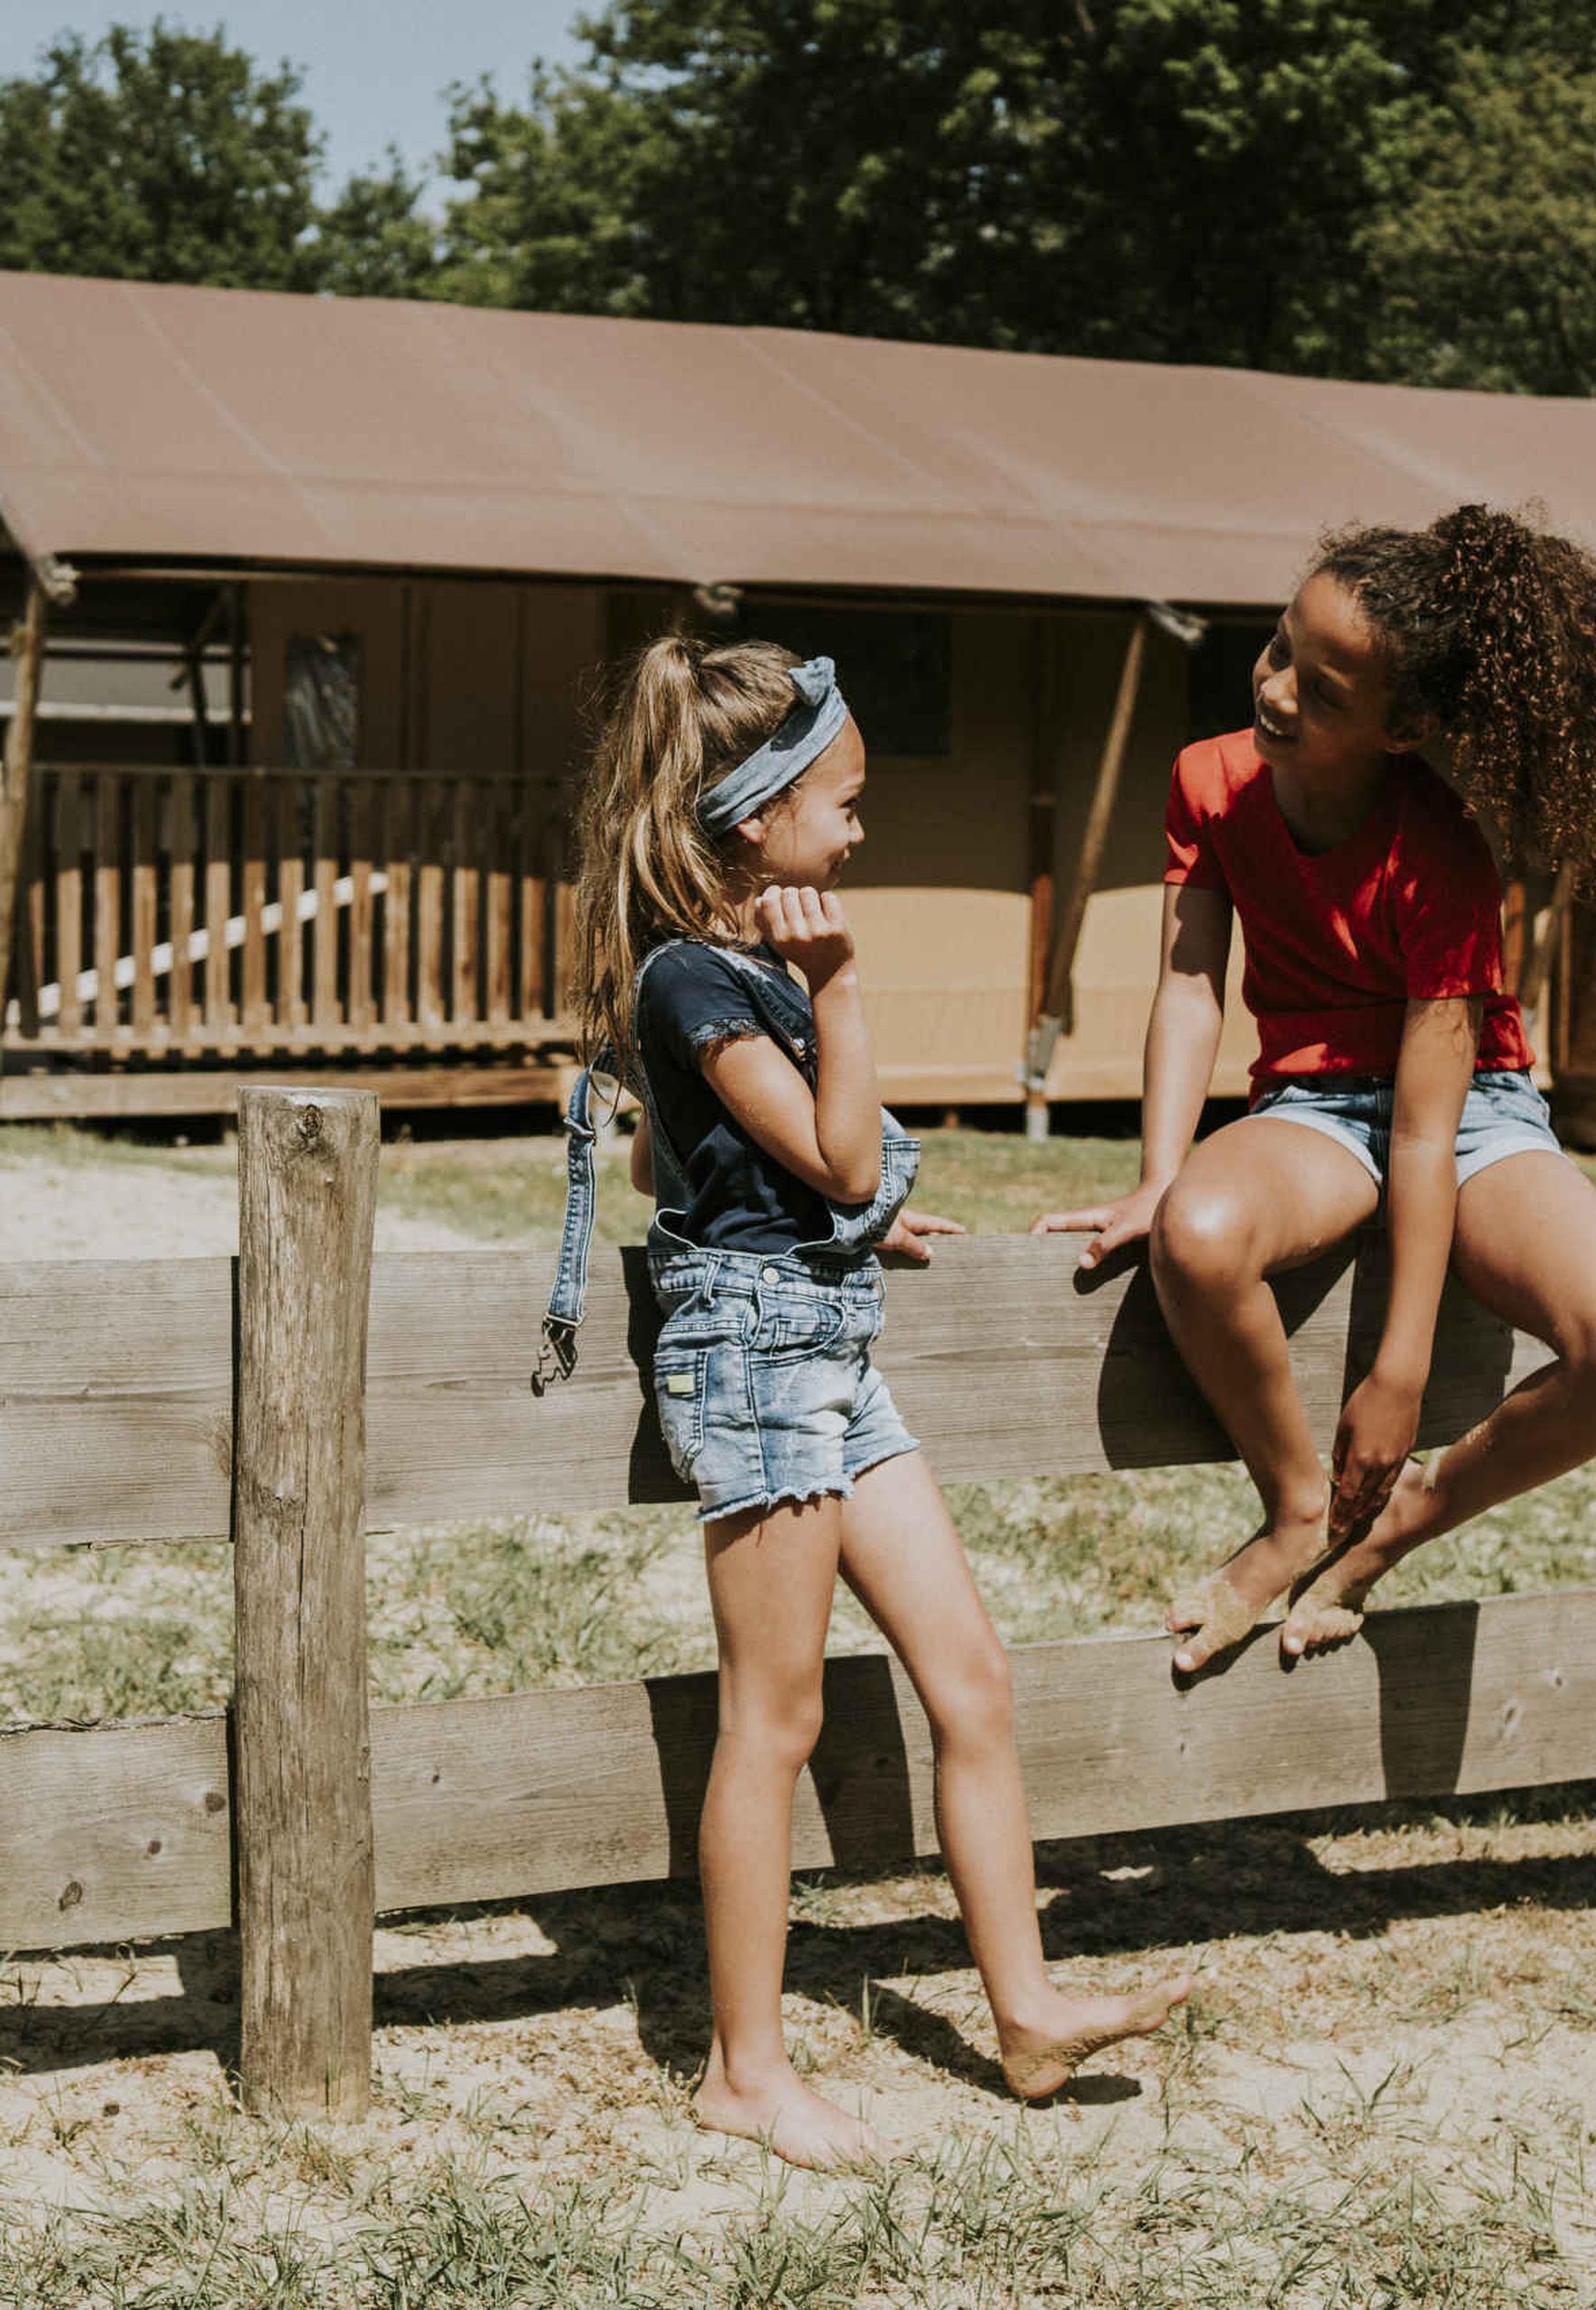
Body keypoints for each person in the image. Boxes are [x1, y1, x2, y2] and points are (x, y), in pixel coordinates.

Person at [548, 635, 1189, 2167]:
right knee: (777, 1717)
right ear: (750, 818)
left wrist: (827, 1198)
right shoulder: (696, 973)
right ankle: (744, 2069)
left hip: (827, 1343)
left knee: (972, 1676)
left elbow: (683, 1165)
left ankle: (1022, 2010)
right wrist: (839, 996)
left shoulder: (731, 973)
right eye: (838, 803)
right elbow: (836, 1156)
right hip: (760, 1361)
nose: (857, 828)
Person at [1037, 506, 1596, 1675]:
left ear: (1408, 727)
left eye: (1324, 690)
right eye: (1280, 646)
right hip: (1314, 1109)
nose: (1279, 689)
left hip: (1469, 1110)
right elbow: (1191, 983)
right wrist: (1156, 1172)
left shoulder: (1441, 853)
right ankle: (1295, 1515)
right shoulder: (1210, 783)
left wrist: (1400, 1374)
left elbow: (1430, 1137)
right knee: (1196, 1232)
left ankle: (1394, 1531)